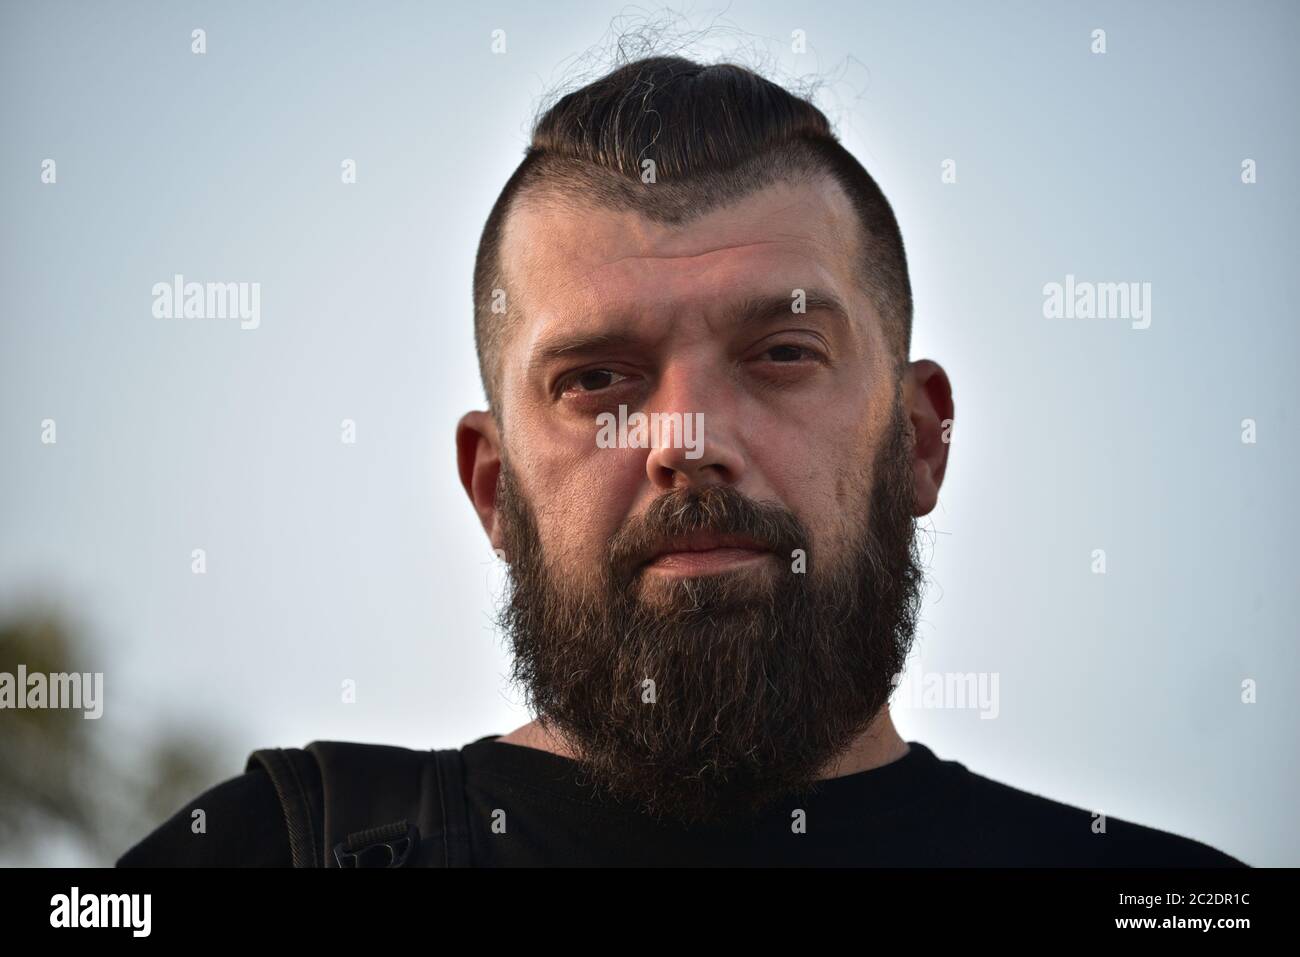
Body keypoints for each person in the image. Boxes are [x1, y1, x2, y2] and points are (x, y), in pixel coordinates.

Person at [118, 55, 1244, 867]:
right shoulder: (275, 853)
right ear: (494, 490)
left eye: (781, 354)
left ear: (916, 441)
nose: (687, 442)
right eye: (598, 380)